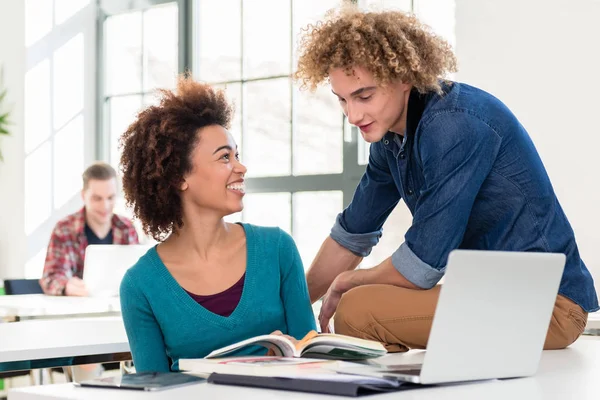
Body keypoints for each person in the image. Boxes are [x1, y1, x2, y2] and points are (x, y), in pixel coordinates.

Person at [294, 5, 598, 351]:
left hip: (547, 306)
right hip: (489, 297)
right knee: (359, 302)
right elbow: (351, 236)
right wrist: (288, 312)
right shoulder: (390, 139)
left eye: (364, 96)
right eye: (342, 101)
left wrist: (351, 280)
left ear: (404, 76)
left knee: (356, 310)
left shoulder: (452, 123)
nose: (352, 115)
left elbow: (422, 266)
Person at [118, 76, 316, 372]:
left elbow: (313, 360)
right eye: (225, 157)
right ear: (179, 177)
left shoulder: (277, 249)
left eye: (237, 154)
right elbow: (153, 389)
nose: (241, 167)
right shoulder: (140, 285)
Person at [40, 162, 139, 296]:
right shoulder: (64, 229)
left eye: (110, 198)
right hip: (77, 309)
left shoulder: (127, 228)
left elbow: (136, 274)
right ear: (83, 195)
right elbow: (50, 278)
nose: (105, 206)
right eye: (97, 198)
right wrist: (66, 286)